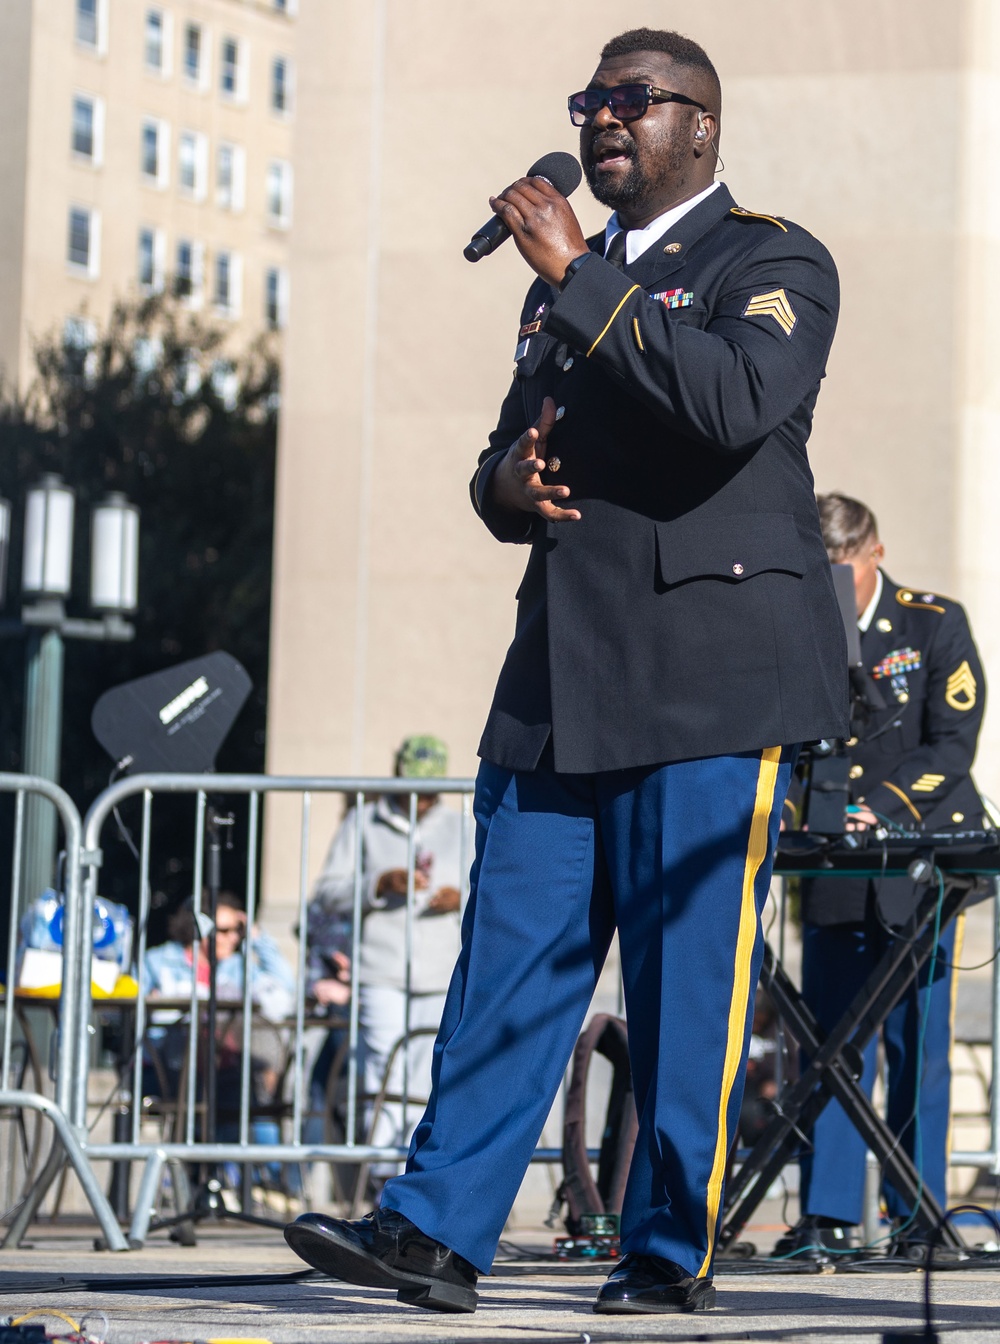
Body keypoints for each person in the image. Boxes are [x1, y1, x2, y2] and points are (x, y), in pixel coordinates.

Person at [285, 27, 848, 1315]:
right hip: (563, 675)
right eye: (589, 100)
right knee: (507, 963)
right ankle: (434, 1229)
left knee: (684, 979)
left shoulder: (771, 258)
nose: (601, 119)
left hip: (710, 679)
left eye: (629, 100)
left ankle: (667, 1245)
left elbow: (731, 401)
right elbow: (502, 456)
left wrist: (582, 285)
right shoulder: (563, 281)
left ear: (698, 126)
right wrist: (504, 482)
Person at [775, 492, 988, 1262]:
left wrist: (876, 808)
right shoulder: (802, 626)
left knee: (917, 1045)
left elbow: (951, 745)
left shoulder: (934, 623)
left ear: (876, 553)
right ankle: (827, 1215)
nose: (834, 586)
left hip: (920, 862)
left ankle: (915, 1214)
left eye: (844, 571)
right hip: (836, 867)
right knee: (830, 1041)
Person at [306, 736, 464, 1184]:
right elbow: (327, 892)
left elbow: (487, 886)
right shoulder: (363, 820)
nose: (422, 796)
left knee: (424, 1070)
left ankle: (412, 1172)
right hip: (379, 967)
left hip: (438, 968)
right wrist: (378, 884)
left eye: (431, 787)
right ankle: (382, 1173)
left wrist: (460, 897)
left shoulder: (460, 824)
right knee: (380, 1063)